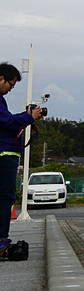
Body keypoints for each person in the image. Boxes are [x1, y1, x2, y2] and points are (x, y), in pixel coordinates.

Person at [0, 62, 43, 254]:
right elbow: (7, 122)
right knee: (4, 198)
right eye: (11, 84)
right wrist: (28, 117)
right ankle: (1, 243)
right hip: (3, 156)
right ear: (1, 79)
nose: (10, 89)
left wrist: (27, 117)